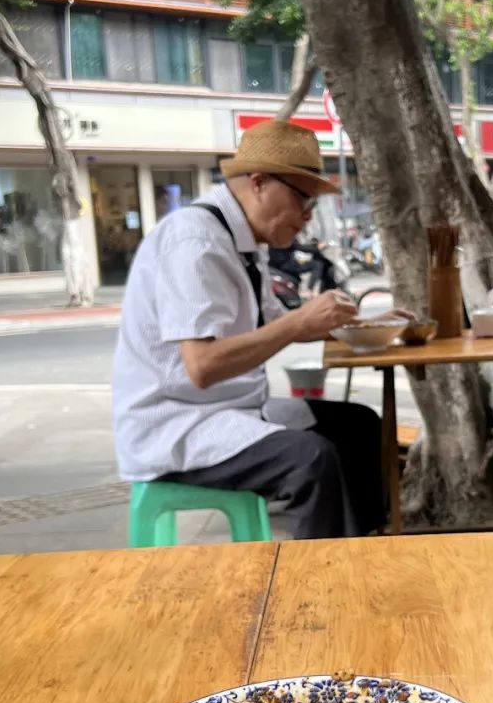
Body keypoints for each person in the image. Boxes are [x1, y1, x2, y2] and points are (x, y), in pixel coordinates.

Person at [112, 120, 384, 540]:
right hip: (178, 424)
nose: (306, 219)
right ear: (259, 183)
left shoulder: (241, 241)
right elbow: (202, 366)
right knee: (311, 459)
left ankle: (364, 552)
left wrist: (362, 327)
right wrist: (299, 323)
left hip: (232, 409)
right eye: (303, 200)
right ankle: (317, 589)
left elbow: (273, 325)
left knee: (358, 425)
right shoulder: (195, 243)